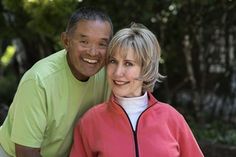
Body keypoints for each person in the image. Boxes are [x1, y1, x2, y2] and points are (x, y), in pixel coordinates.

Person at [69, 23, 204, 157]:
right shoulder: (91, 121)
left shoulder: (172, 119)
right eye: (113, 61)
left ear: (146, 68)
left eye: (128, 63)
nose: (117, 72)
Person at [0, 7, 113, 157]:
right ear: (66, 41)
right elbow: (26, 152)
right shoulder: (39, 80)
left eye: (102, 44)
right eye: (84, 41)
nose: (93, 52)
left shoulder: (110, 74)